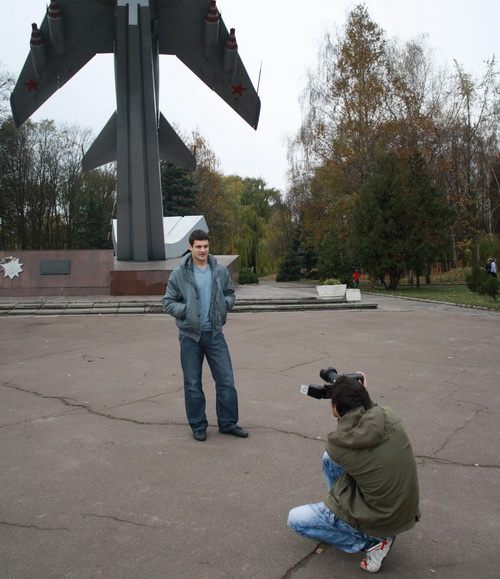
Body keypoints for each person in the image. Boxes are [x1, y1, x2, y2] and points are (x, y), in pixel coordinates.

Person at [288, 375, 420, 573]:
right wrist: (358, 393)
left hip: (383, 518)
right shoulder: (388, 413)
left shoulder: (338, 446)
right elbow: (369, 412)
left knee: (295, 520)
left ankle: (372, 541)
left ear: (336, 408)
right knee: (329, 460)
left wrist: (343, 400)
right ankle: (346, 515)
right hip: (404, 509)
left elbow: (345, 435)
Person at [162, 230, 248, 442]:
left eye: (206, 246)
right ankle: (198, 425)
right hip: (190, 337)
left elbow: (230, 294)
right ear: (190, 247)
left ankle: (228, 423)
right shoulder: (179, 273)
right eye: (198, 246)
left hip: (215, 334)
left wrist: (224, 305)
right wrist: (187, 310)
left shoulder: (219, 270)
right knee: (193, 384)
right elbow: (168, 302)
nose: (203, 250)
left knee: (226, 381)